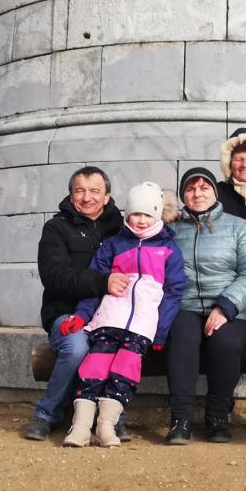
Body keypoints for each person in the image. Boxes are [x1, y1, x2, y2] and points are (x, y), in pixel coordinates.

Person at [61, 182, 186, 447]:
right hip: (109, 319)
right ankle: (80, 427)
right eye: (135, 214)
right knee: (93, 369)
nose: (140, 220)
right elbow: (95, 284)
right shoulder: (113, 244)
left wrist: (161, 331)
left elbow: (173, 294)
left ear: (158, 215)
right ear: (127, 214)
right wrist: (82, 315)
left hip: (141, 326)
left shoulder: (169, 250)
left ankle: (106, 426)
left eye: (147, 215)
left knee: (124, 372)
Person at [25, 166, 131, 441]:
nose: (87, 197)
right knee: (77, 347)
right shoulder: (56, 228)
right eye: (80, 191)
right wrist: (102, 282)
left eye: (95, 191)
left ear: (107, 196)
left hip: (110, 315)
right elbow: (53, 275)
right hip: (66, 312)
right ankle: (46, 415)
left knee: (120, 346)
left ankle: (112, 418)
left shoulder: (122, 229)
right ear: (71, 195)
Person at [164, 166, 246, 445]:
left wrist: (226, 306)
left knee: (225, 342)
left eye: (204, 187)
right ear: (183, 195)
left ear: (215, 192)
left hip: (231, 307)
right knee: (182, 339)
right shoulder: (171, 229)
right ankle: (181, 419)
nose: (197, 193)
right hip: (185, 305)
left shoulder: (238, 227)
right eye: (190, 189)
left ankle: (218, 415)